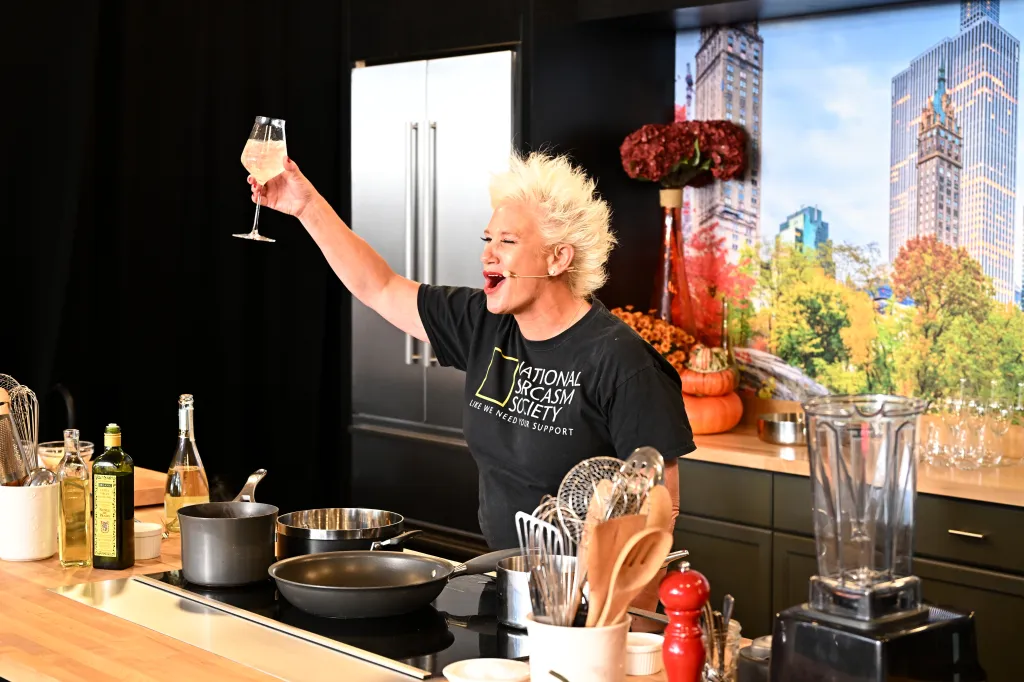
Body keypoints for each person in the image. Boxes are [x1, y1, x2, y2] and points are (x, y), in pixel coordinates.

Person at [247, 150, 696, 575]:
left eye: (507, 241)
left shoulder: (622, 362)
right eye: (487, 239)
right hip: (506, 581)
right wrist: (307, 206)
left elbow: (658, 519)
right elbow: (379, 287)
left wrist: (623, 636)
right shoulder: (484, 323)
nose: (487, 254)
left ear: (558, 258)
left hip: (592, 600)